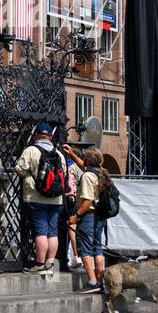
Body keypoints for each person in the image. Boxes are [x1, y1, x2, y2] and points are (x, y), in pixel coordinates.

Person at [14, 124, 67, 274]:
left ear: (36, 135)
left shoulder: (31, 150)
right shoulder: (59, 154)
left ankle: (40, 264)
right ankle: (51, 266)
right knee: (53, 232)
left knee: (41, 231)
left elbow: (20, 170)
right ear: (50, 137)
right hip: (56, 199)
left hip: (35, 197)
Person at [68, 146, 108, 292]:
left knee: (85, 248)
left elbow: (87, 200)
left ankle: (92, 281)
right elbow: (84, 166)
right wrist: (72, 155)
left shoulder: (87, 176)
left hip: (88, 215)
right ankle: (101, 281)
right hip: (101, 215)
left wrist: (76, 216)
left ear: (88, 159)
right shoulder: (102, 172)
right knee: (97, 249)